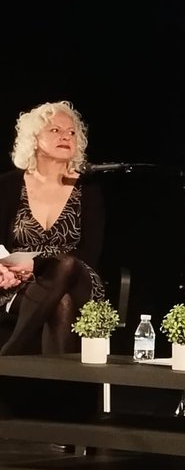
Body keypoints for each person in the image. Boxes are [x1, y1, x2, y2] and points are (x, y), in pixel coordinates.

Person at [0, 100, 106, 357]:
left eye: (71, 132)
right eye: (55, 130)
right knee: (62, 302)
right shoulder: (8, 185)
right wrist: (3, 266)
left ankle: (9, 356)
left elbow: (90, 253)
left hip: (79, 279)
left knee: (66, 265)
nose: (65, 137)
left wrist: (35, 264)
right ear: (33, 138)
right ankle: (56, 393)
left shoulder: (89, 190)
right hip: (19, 283)